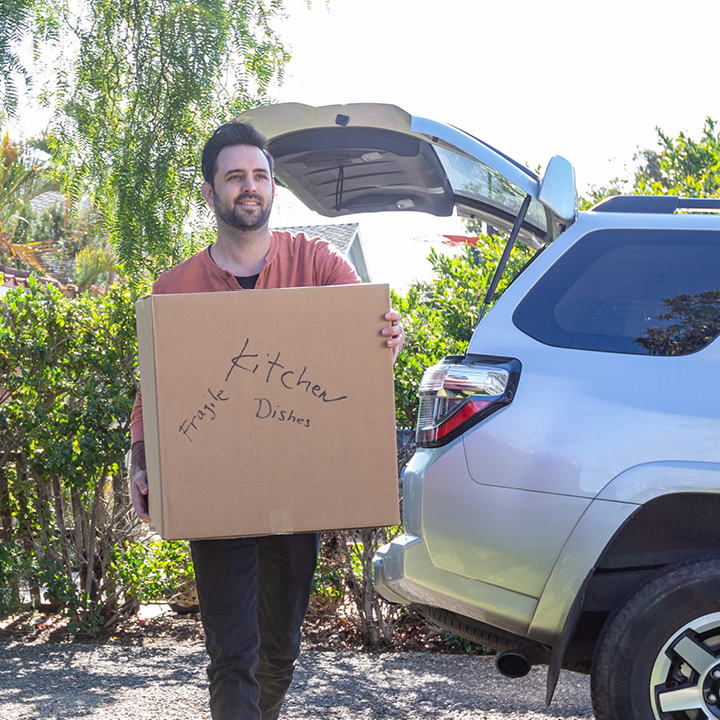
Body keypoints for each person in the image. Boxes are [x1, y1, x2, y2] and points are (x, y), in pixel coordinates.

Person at [129, 120, 404, 720]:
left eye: (259, 175)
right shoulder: (175, 290)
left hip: (294, 493)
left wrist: (387, 334)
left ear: (274, 187)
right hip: (217, 494)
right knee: (233, 657)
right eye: (235, 177)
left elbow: (360, 340)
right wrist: (140, 460)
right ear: (210, 192)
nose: (248, 187)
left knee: (279, 653)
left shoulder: (319, 263)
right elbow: (156, 390)